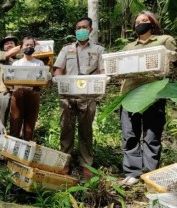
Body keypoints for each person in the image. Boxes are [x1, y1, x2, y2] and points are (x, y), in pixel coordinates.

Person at [119, 11, 177, 186]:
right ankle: (132, 173)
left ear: (153, 24)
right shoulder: (129, 47)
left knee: (152, 135)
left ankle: (150, 173)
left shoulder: (164, 40)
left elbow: (174, 63)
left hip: (154, 94)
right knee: (130, 134)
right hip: (129, 94)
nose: (139, 24)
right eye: (137, 22)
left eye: (144, 20)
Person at [53, 17, 105, 178]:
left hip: (88, 96)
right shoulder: (66, 49)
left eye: (84, 27)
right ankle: (65, 161)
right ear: (75, 31)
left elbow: (103, 72)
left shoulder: (98, 50)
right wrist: (58, 80)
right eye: (78, 28)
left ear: (90, 30)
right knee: (66, 130)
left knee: (86, 131)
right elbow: (58, 70)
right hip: (68, 95)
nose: (81, 30)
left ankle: (86, 164)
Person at [10, 36, 45, 141]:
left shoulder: (39, 63)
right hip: (18, 93)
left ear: (34, 47)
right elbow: (11, 80)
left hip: (33, 93)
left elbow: (42, 79)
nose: (29, 47)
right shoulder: (16, 64)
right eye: (27, 45)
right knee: (15, 122)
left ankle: (26, 149)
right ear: (21, 47)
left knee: (30, 125)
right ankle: (12, 151)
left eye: (31, 45)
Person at [0, 36, 21, 127]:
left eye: (11, 43)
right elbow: (7, 55)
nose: (9, 45)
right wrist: (24, 45)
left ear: (15, 45)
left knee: (16, 118)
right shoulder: (1, 54)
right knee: (2, 119)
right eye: (6, 44)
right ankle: (1, 138)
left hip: (18, 91)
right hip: (4, 91)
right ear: (3, 47)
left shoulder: (20, 59)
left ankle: (15, 139)